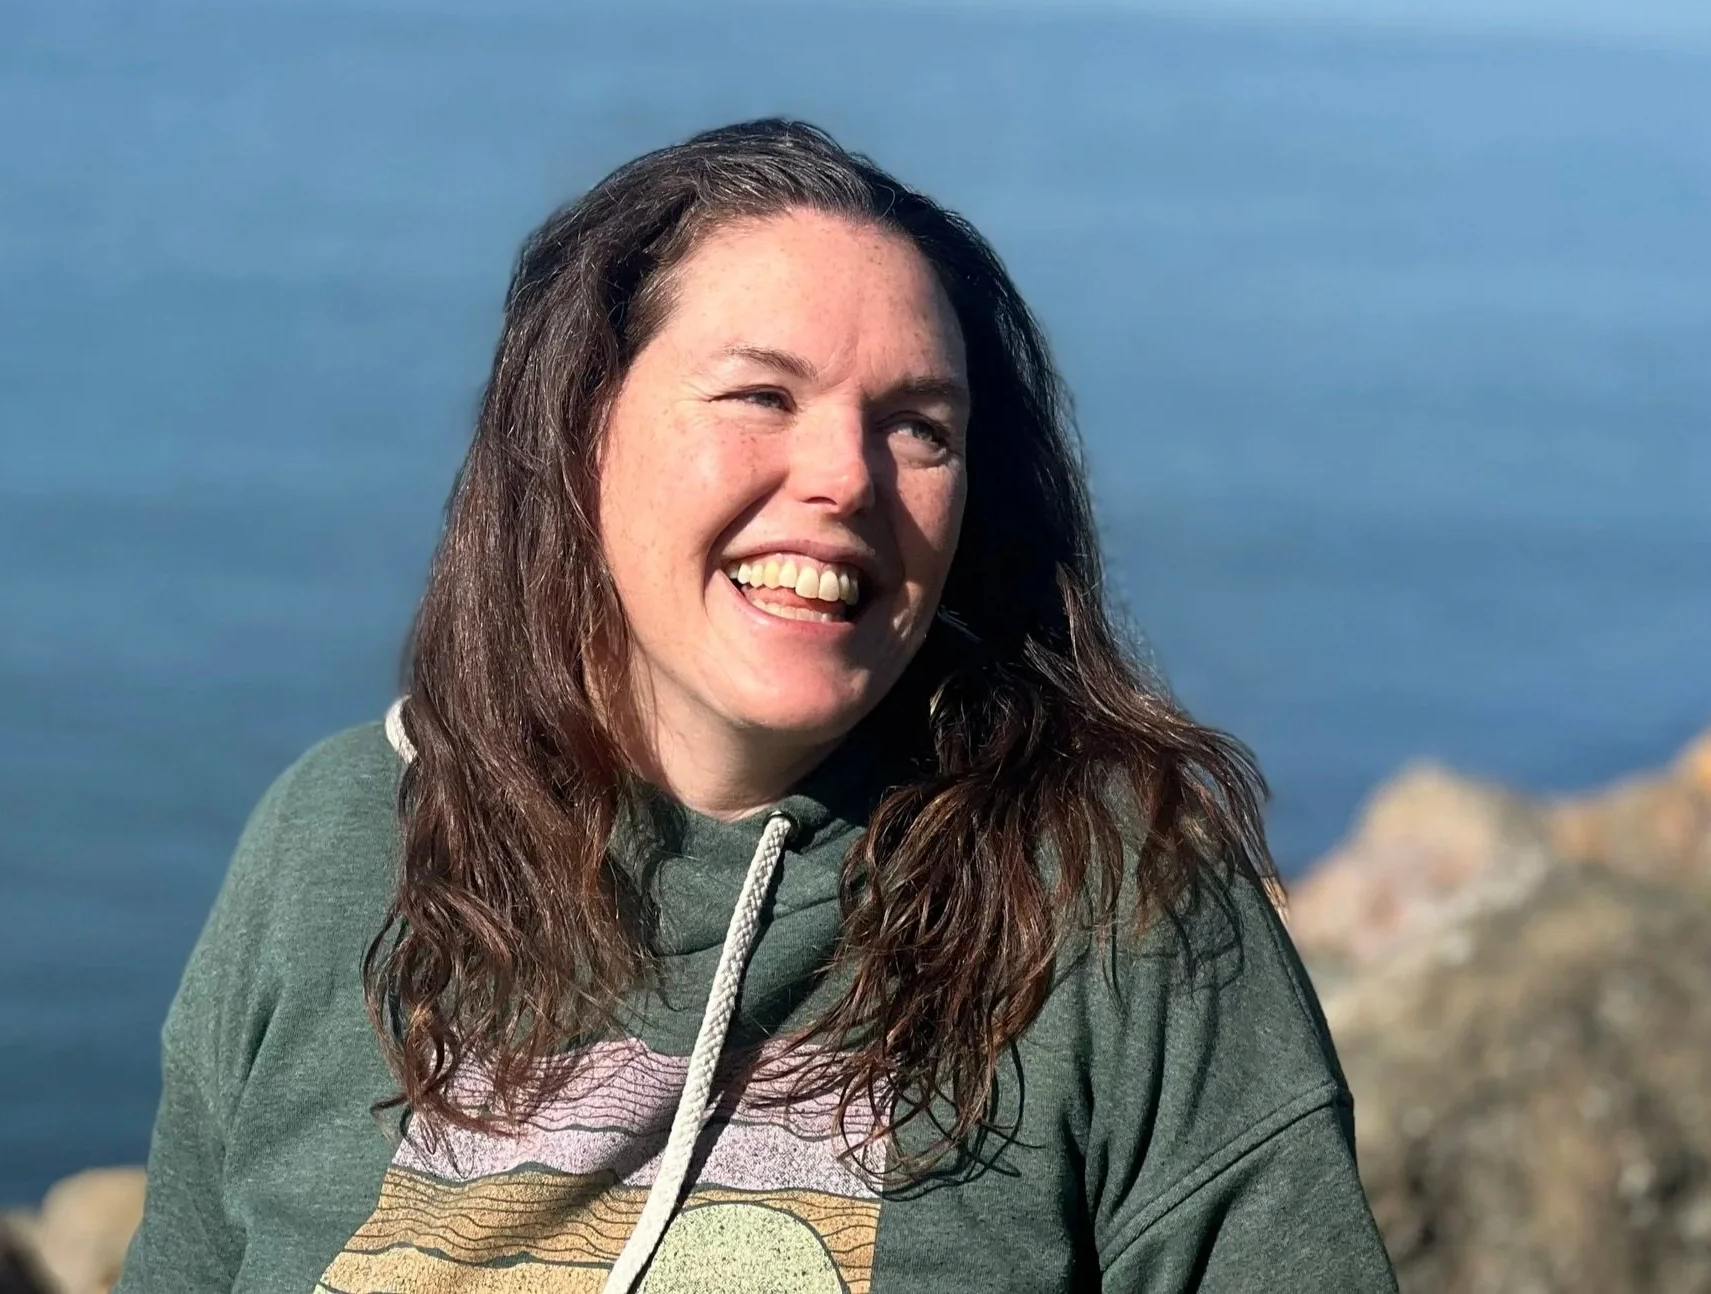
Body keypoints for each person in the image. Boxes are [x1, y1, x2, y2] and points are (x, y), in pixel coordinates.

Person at [115, 119, 1397, 1293]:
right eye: (760, 396)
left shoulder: (1110, 897)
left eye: (918, 427)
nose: (843, 475)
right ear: (578, 430)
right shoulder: (338, 840)